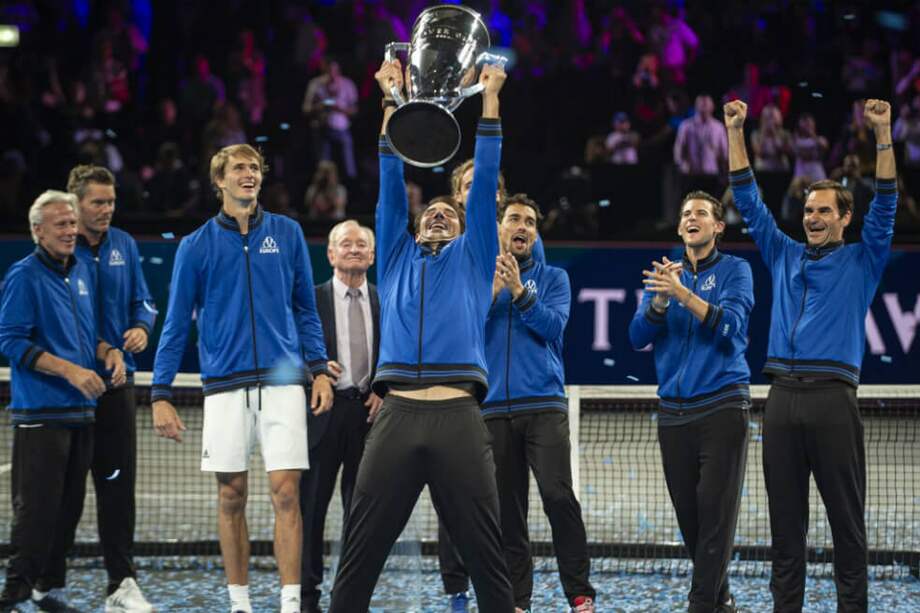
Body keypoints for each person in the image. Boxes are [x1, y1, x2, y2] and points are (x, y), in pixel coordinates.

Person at [327, 58, 514, 613]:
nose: (435, 215)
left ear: (462, 225)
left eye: (445, 213)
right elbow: (389, 179)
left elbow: (483, 184)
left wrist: (491, 99)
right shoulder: (395, 259)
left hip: (459, 417)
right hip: (397, 416)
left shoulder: (477, 255)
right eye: (427, 212)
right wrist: (390, 99)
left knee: (487, 560)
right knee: (359, 556)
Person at [726, 98, 897, 612]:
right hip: (780, 401)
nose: (814, 217)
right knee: (785, 529)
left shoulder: (864, 259)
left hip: (833, 402)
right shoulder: (783, 253)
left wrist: (883, 132)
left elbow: (886, 198)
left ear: (846, 218)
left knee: (847, 524)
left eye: (825, 210)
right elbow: (747, 198)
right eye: (808, 210)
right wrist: (735, 130)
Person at [150, 143, 334, 613]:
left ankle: (290, 603)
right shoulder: (195, 246)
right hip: (225, 386)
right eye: (239, 168)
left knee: (287, 492)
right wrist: (160, 393)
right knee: (231, 495)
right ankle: (239, 604)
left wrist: (318, 370)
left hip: (282, 384)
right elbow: (174, 324)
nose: (248, 174)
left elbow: (305, 311)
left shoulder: (289, 234)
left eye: (254, 167)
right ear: (220, 180)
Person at [0, 191, 126, 612]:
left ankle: (46, 590)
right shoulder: (23, 276)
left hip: (80, 415)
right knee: (35, 514)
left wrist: (107, 351)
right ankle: (14, 595)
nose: (71, 231)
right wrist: (71, 371)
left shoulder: (82, 274)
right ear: (38, 231)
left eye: (73, 224)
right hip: (40, 415)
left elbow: (86, 338)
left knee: (68, 513)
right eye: (61, 225)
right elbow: (12, 341)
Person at [629, 191, 754, 613]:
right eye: (685, 214)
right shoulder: (666, 275)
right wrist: (660, 303)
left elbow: (732, 329)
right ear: (680, 227)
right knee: (693, 523)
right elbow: (636, 338)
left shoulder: (737, 270)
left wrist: (682, 295)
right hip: (673, 415)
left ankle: (700, 604)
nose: (691, 218)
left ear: (718, 226)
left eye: (701, 212)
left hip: (723, 406)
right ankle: (721, 600)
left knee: (716, 519)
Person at [482, 194, 597, 613]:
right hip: (493, 409)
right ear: (498, 228)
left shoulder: (554, 279)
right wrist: (491, 293)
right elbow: (462, 330)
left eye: (530, 221)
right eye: (515, 219)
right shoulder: (477, 278)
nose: (523, 227)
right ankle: (517, 600)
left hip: (545, 404)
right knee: (507, 513)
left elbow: (552, 328)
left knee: (558, 496)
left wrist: (517, 292)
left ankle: (580, 593)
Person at [69, 164, 157, 612]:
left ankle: (121, 581)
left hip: (119, 388)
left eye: (111, 202)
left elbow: (143, 299)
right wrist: (104, 349)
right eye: (97, 203)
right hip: (70, 392)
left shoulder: (123, 244)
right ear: (76, 202)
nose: (106, 210)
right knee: (66, 492)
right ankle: (47, 578)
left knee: (118, 490)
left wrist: (141, 326)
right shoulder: (62, 248)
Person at [299, 220, 382, 613]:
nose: (353, 249)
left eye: (361, 244)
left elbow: (399, 354)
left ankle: (348, 600)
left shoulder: (388, 301)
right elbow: (286, 352)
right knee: (310, 512)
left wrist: (386, 388)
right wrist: (312, 370)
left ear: (372, 254)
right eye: (345, 244)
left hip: (370, 417)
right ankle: (306, 598)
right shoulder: (309, 302)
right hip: (321, 415)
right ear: (330, 254)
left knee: (361, 516)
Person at [302, 58, 358, 179]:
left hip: (342, 129)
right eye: (329, 71)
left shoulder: (347, 84)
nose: (332, 75)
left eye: (335, 71)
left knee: (348, 165)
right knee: (323, 167)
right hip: (322, 130)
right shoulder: (316, 84)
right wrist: (320, 106)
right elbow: (306, 109)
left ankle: (351, 185)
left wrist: (340, 109)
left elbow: (354, 110)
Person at [673, 95, 728, 197]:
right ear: (695, 106)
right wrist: (682, 165)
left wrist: (725, 174)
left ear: (712, 107)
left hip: (712, 176)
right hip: (692, 176)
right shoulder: (686, 126)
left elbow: (724, 153)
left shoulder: (718, 127)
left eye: (706, 104)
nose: (704, 106)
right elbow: (678, 149)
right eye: (701, 103)